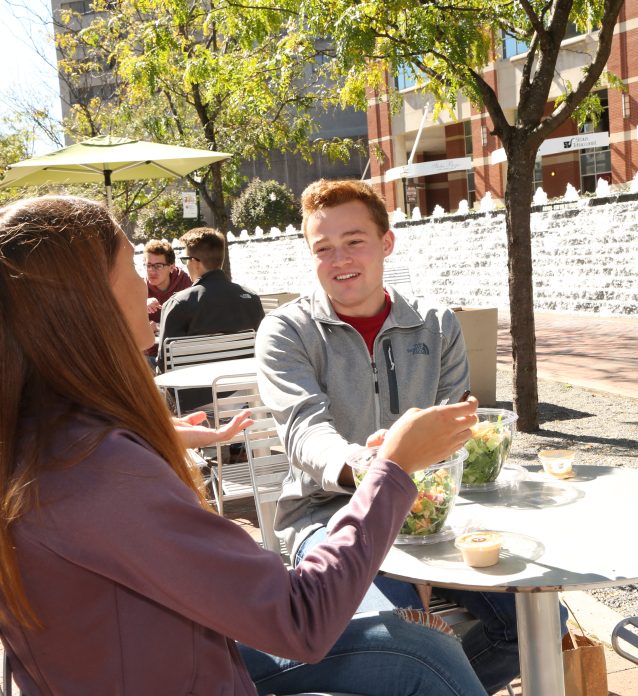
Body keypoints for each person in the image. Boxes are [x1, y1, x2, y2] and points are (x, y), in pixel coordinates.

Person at [0, 195, 487, 695]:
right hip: (227, 643)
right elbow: (302, 617)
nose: (150, 286)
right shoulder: (99, 470)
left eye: (354, 242)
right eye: (131, 266)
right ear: (85, 300)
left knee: (433, 649)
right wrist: (393, 466)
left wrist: (151, 435)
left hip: (193, 653)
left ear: (387, 244)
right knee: (421, 650)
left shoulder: (52, 441)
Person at [256, 179, 567, 695]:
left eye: (354, 241)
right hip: (329, 514)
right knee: (408, 641)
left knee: (539, 624)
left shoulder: (436, 324)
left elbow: (457, 431)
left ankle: (438, 682)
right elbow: (304, 432)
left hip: (439, 513)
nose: (340, 259)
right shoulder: (288, 331)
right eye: (323, 248)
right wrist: (373, 467)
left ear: (386, 243)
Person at [156, 227, 265, 373]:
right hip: (246, 389)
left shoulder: (178, 304)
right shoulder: (252, 299)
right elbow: (264, 351)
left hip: (193, 393)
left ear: (195, 262)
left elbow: (164, 365)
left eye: (185, 259)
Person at [142, 238, 192, 366]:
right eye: (148, 265)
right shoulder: (140, 288)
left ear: (171, 267)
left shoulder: (185, 282)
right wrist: (141, 306)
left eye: (158, 266)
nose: (152, 271)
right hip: (151, 355)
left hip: (181, 352)